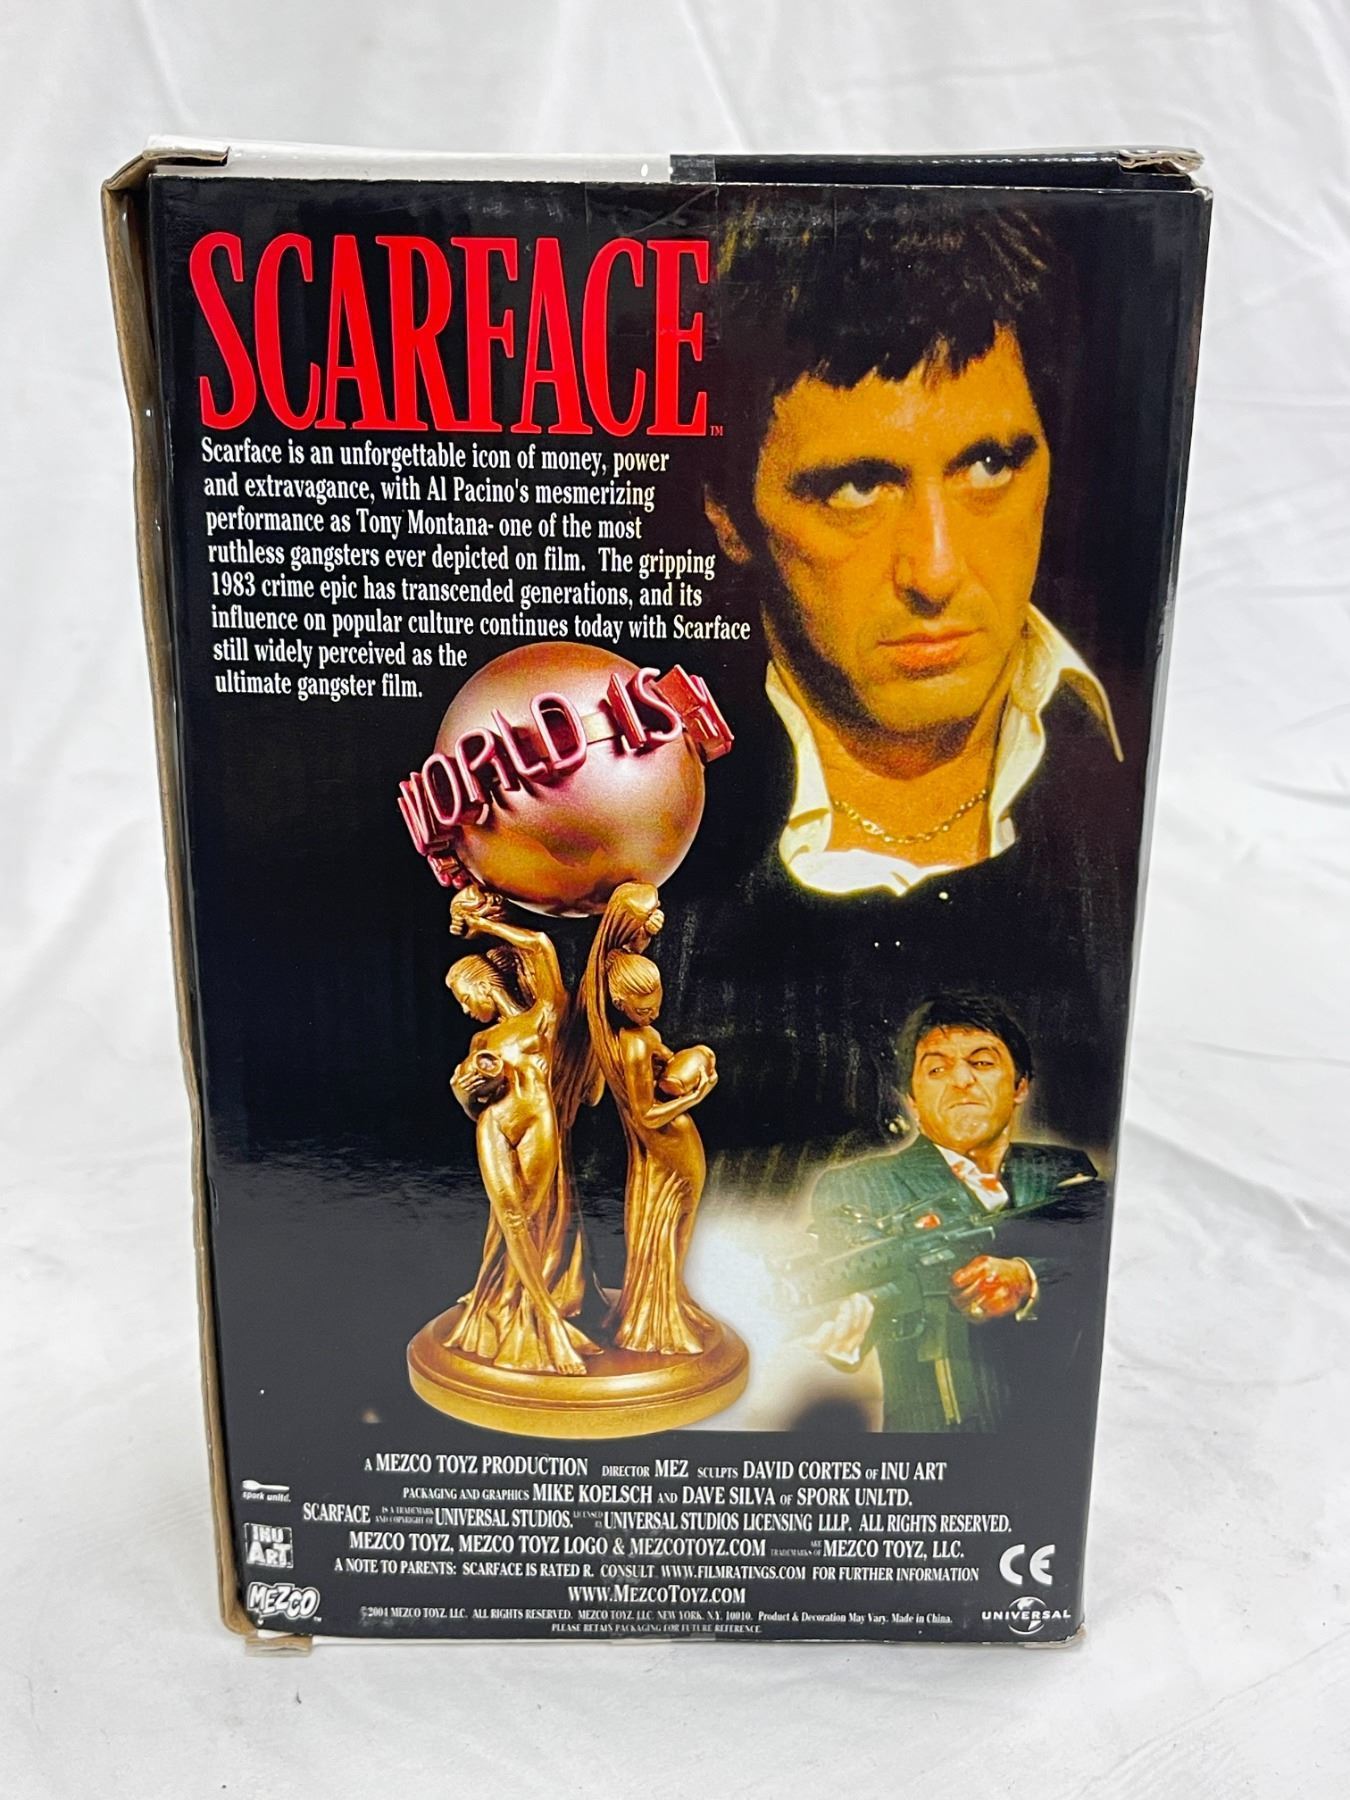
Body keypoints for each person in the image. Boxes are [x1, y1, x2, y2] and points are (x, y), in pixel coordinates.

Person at [662, 200, 1139, 1189]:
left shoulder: (1127, 769)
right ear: (728, 514)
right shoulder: (653, 857)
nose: (936, 570)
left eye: (990, 465)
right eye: (856, 487)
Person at [802, 994, 1106, 1434]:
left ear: (1020, 1085)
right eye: (937, 1069)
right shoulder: (859, 1186)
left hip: (1060, 1440)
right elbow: (851, 1274)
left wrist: (1028, 1280)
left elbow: (1103, 1271)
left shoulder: (1066, 1171)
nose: (962, 1080)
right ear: (911, 1098)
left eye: (982, 1063)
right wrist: (848, 1318)